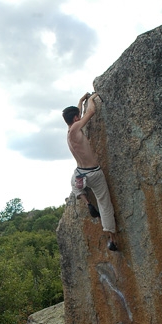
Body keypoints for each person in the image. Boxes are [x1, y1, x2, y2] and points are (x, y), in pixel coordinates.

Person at [62, 92, 118, 251]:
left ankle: (87, 202)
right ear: (75, 119)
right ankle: (112, 238)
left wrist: (80, 100)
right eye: (77, 116)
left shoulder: (69, 132)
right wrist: (92, 99)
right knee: (104, 203)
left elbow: (78, 114)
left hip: (80, 174)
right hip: (94, 174)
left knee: (74, 183)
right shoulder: (76, 128)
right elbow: (91, 112)